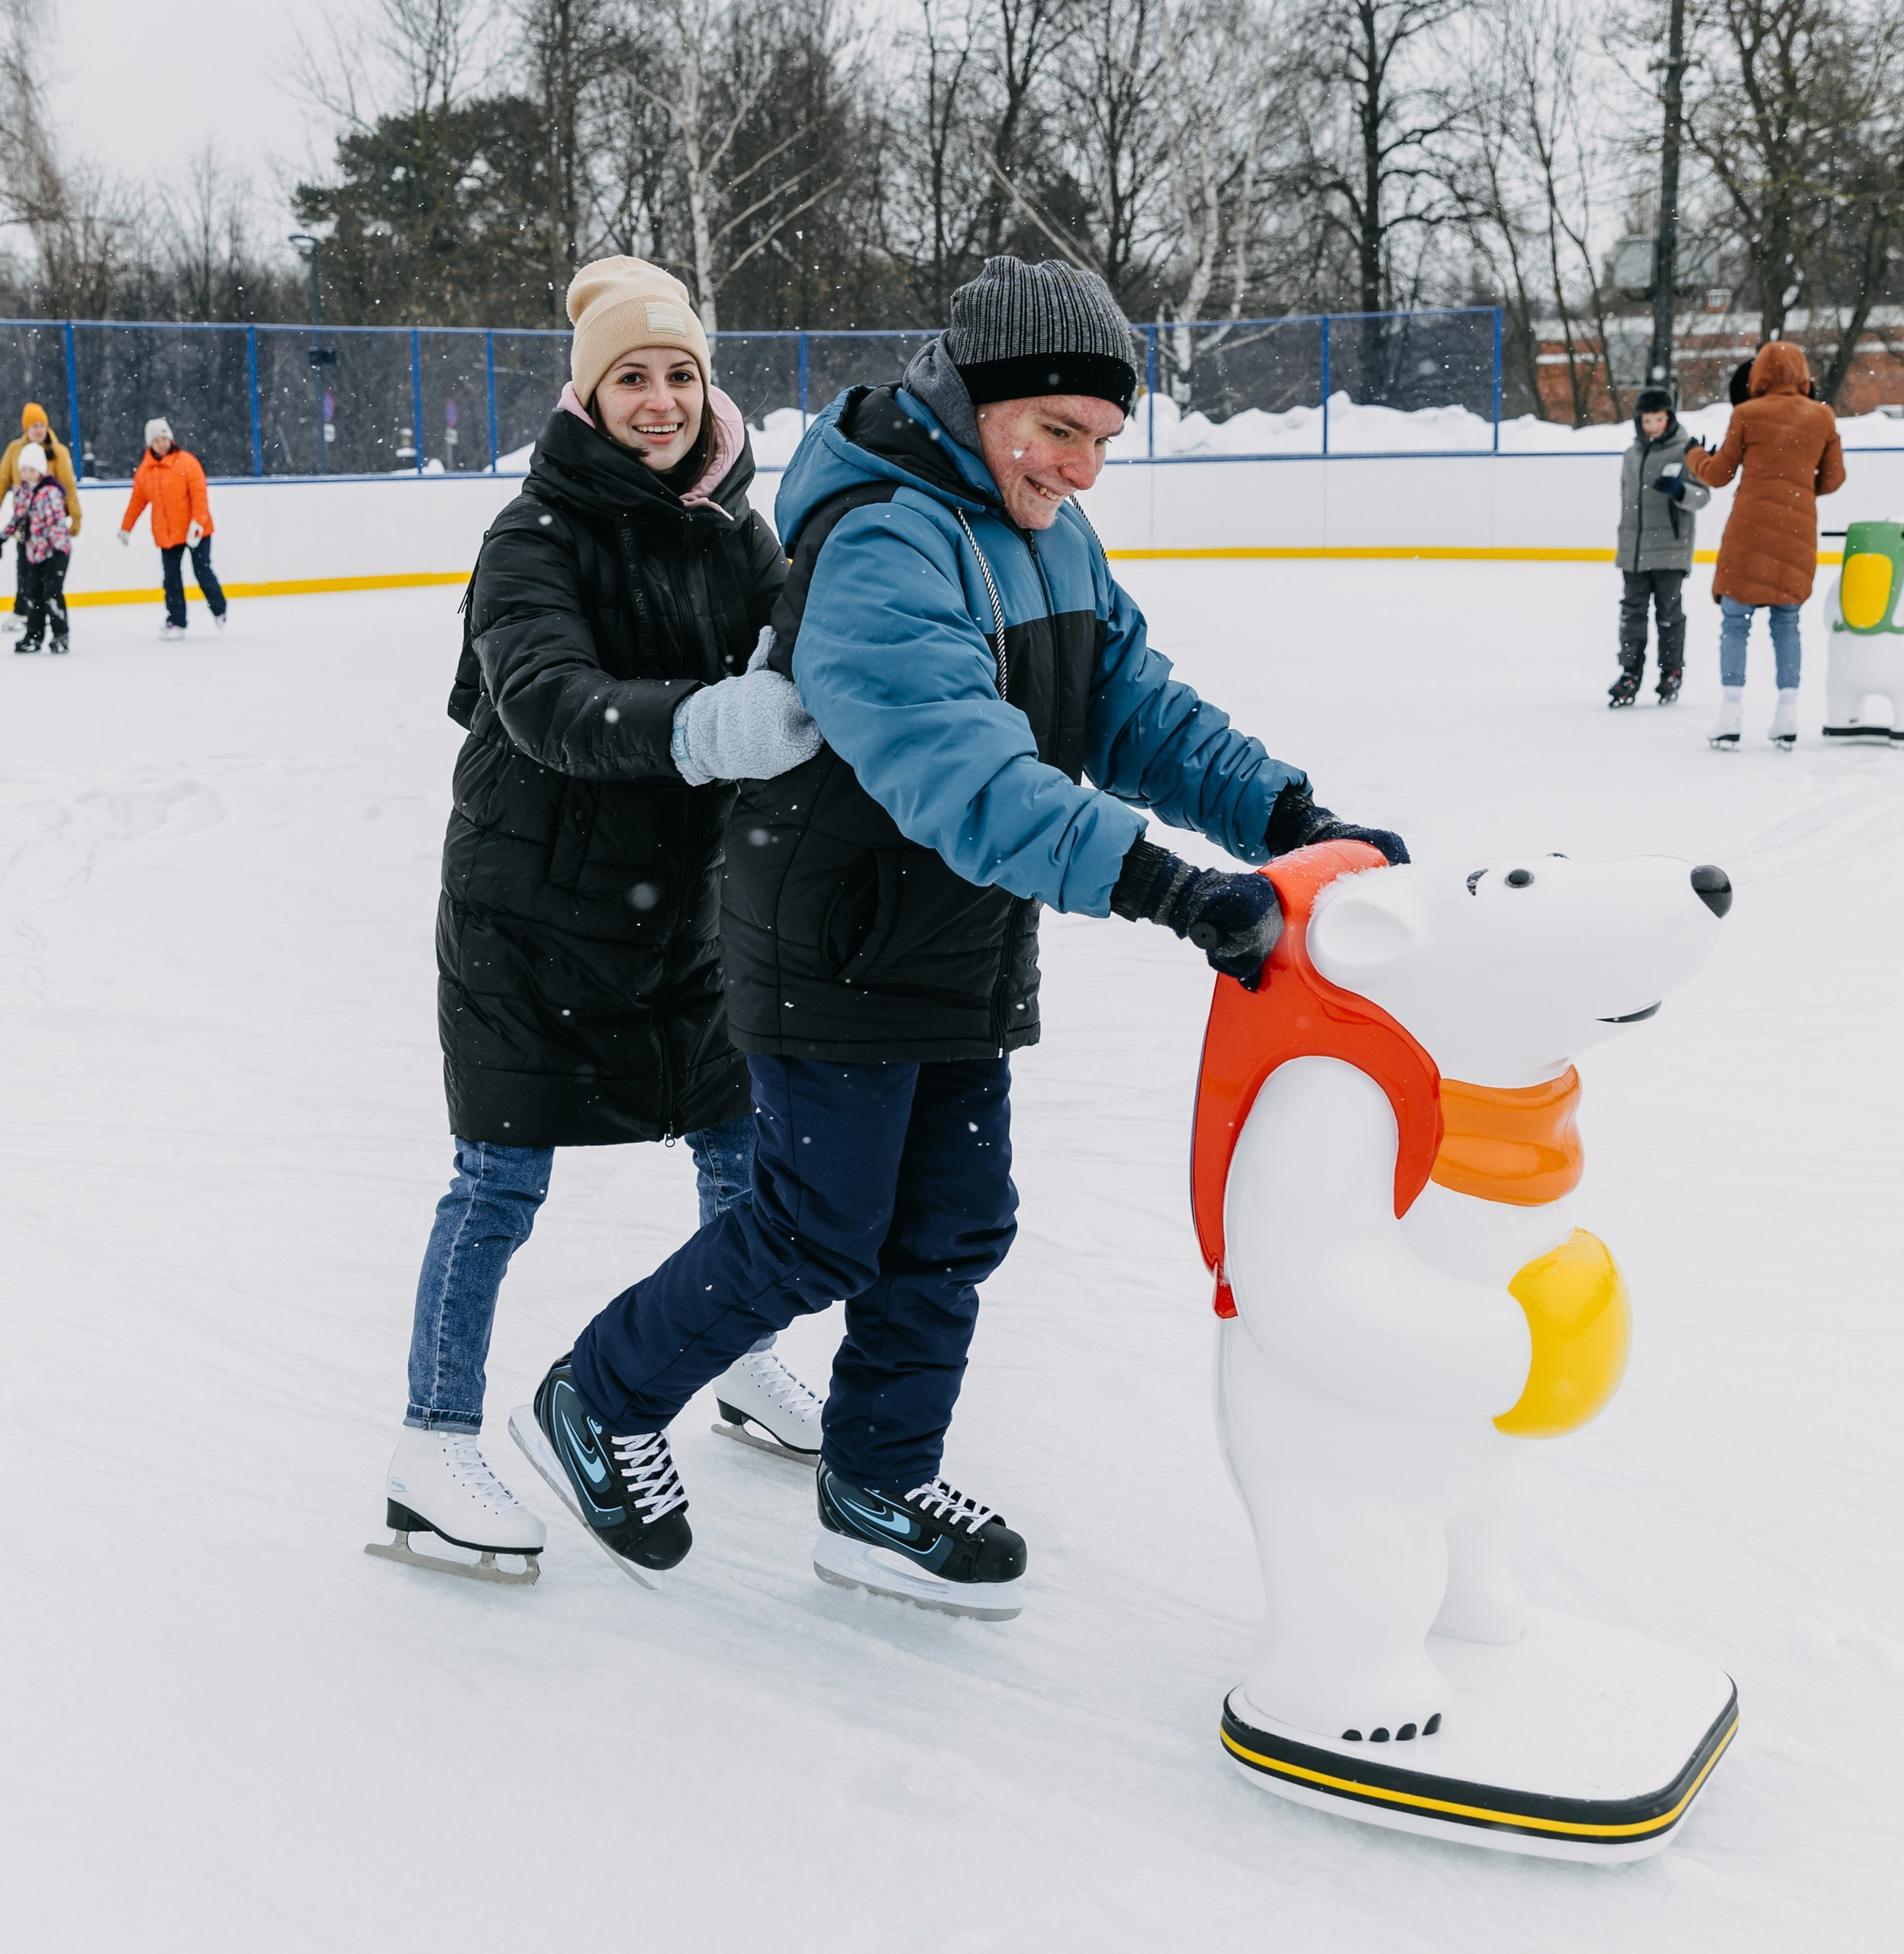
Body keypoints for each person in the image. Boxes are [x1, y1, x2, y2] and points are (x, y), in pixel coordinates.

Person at [508, 255, 1407, 1619]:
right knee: (818, 1230)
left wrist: (1283, 814)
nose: (1083, 470)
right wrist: (1170, 889)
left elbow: (1130, 703)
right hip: (833, 937)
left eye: (1102, 439)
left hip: (960, 937)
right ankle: (600, 1391)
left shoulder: (1044, 528)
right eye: (1058, 430)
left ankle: (878, 1489)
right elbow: (964, 771)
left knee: (952, 1226)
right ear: (977, 402)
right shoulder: (882, 539)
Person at [372, 256, 830, 1585]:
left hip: (685, 908)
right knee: (499, 1180)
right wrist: (710, 724)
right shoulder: (533, 535)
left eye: (680, 373)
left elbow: (803, 663)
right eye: (632, 376)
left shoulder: (739, 533)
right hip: (528, 910)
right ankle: (431, 1444)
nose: (660, 399)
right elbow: (545, 703)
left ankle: (740, 1355)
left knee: (742, 1149)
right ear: (588, 395)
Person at [1689, 340, 1845, 751]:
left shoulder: (1747, 413)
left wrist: (1694, 456)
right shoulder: (1822, 416)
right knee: (1787, 623)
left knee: (1735, 623)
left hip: (1749, 530)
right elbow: (1833, 479)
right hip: (1797, 531)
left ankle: (1730, 714)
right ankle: (1787, 714)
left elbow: (1718, 475)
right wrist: (1796, 489)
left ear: (1758, 374)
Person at [1609, 385, 1709, 708]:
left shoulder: (1686, 451)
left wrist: (1680, 492)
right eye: (1647, 420)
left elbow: (1702, 497)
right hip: (1634, 551)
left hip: (1670, 549)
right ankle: (1629, 673)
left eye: (1659, 419)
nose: (1652, 426)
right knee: (1632, 614)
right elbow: (1627, 501)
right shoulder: (1631, 455)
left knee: (1669, 614)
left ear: (1670, 418)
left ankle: (1671, 671)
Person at [118, 419, 227, 640]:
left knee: (202, 571)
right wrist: (126, 528)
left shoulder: (187, 462)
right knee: (171, 578)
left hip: (196, 530)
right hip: (167, 532)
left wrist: (198, 522)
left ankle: (219, 609)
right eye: (156, 440)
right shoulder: (145, 471)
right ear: (150, 444)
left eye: (164, 439)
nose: (161, 444)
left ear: (171, 439)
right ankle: (176, 622)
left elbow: (199, 495)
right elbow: (137, 501)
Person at [0, 402, 81, 635]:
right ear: (26, 429)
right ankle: (24, 612)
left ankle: (51, 623)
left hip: (50, 532)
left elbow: (68, 486)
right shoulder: (15, 450)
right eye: (34, 426)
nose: (38, 430)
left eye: (42, 425)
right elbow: (2, 481)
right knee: (25, 572)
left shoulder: (57, 453)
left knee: (47, 582)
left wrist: (75, 516)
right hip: (26, 529)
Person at [0, 443, 72, 654]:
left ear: (40, 469)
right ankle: (34, 636)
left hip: (56, 552)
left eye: (31, 470)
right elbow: (18, 519)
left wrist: (58, 550)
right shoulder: (22, 492)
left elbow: (56, 523)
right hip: (34, 553)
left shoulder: (51, 492)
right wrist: (1, 539)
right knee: (34, 595)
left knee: (52, 594)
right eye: (23, 470)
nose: (27, 474)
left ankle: (60, 635)